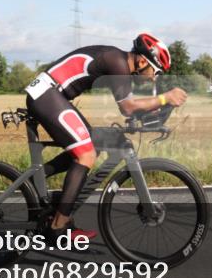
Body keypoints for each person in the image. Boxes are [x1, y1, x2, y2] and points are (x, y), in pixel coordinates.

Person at [24, 33, 187, 240]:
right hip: (46, 95)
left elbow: (131, 108)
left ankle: (35, 180)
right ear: (143, 61)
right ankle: (58, 226)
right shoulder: (117, 62)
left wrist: (156, 112)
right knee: (86, 155)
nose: (155, 77)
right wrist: (165, 98)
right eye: (155, 71)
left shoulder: (119, 63)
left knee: (96, 142)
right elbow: (128, 108)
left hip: (52, 95)